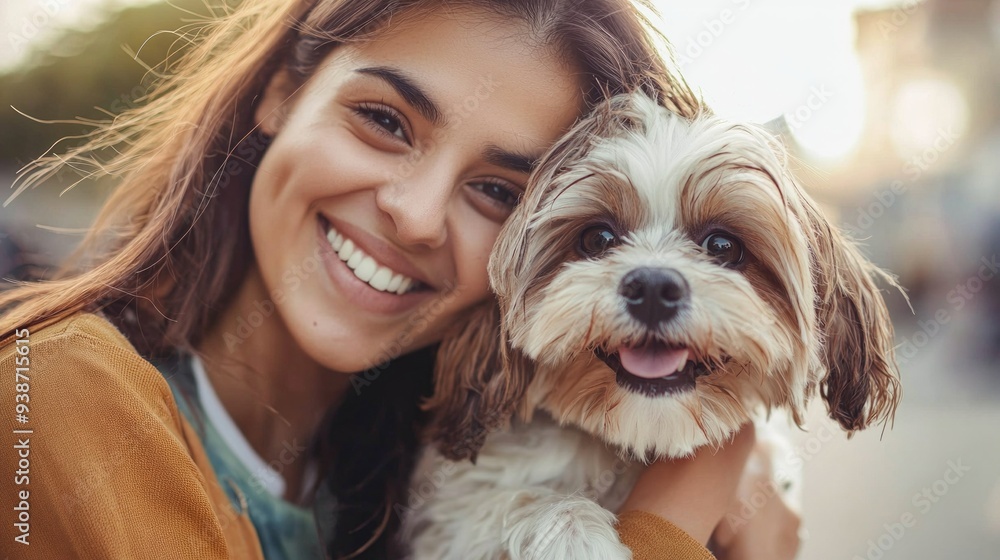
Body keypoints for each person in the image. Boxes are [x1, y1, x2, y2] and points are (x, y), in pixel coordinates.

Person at [0, 0, 798, 558]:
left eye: (497, 192)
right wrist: (671, 524)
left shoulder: (401, 477)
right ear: (283, 87)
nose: (415, 215)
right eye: (384, 121)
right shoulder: (55, 395)